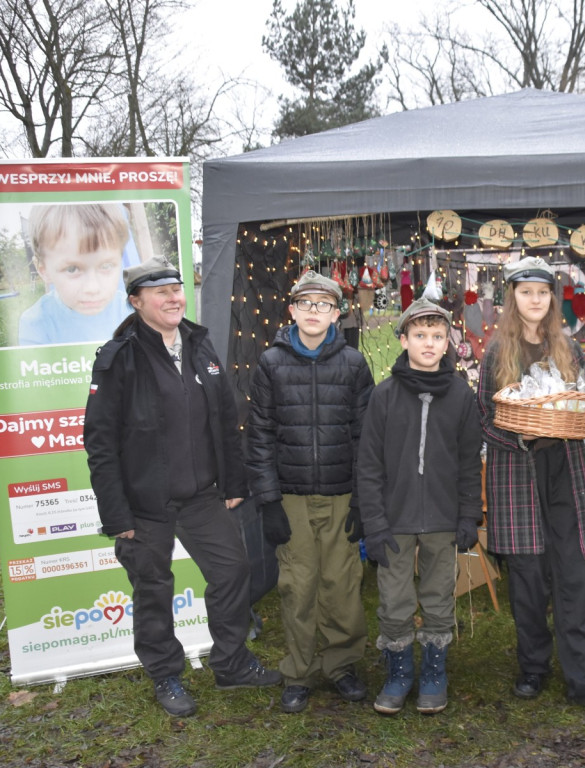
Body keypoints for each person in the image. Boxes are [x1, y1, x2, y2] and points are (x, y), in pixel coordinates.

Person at [83, 257, 281, 718]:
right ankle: (165, 674)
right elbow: (100, 444)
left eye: (176, 289)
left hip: (202, 496)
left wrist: (233, 482)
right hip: (143, 505)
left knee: (233, 572)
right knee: (153, 589)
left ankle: (231, 664)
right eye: (161, 292)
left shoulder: (199, 344)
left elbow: (226, 420)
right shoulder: (119, 358)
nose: (174, 298)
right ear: (136, 302)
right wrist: (117, 516)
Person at [476, 256, 585, 721]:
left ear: (551, 298)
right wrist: (523, 435)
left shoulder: (570, 348)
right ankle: (534, 666)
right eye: (526, 292)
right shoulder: (494, 353)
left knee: (576, 575)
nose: (535, 300)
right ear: (513, 298)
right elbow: (485, 419)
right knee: (527, 577)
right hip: (517, 473)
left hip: (567, 471)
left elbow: (582, 411)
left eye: (542, 292)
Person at [245, 270, 374, 714]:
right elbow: (259, 434)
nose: (313, 312)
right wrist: (268, 501)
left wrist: (362, 498)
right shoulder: (270, 363)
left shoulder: (354, 365)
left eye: (323, 305)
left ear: (337, 314)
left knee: (342, 584)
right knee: (298, 586)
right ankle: (298, 671)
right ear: (292, 310)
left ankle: (341, 665)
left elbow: (365, 436)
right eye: (306, 304)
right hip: (291, 495)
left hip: (341, 493)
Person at [358, 297, 483, 715]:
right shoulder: (385, 395)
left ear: (448, 342)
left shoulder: (462, 396)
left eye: (437, 336)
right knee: (393, 600)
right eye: (419, 336)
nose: (429, 344)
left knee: (437, 596)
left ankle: (433, 671)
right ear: (403, 339)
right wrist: (374, 524)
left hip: (444, 520)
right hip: (395, 520)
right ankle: (398, 672)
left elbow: (468, 462)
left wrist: (468, 515)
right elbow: (369, 465)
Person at [19, 203, 132, 346]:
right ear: (44, 270)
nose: (92, 288)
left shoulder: (132, 312)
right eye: (72, 269)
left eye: (106, 266)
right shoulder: (36, 324)